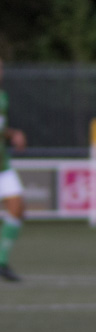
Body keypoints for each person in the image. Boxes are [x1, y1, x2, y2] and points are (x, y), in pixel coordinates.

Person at [0, 56, 24, 281]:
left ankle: (1, 261)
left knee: (17, 207)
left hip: (3, 165)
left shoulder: (2, 97)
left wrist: (12, 134)